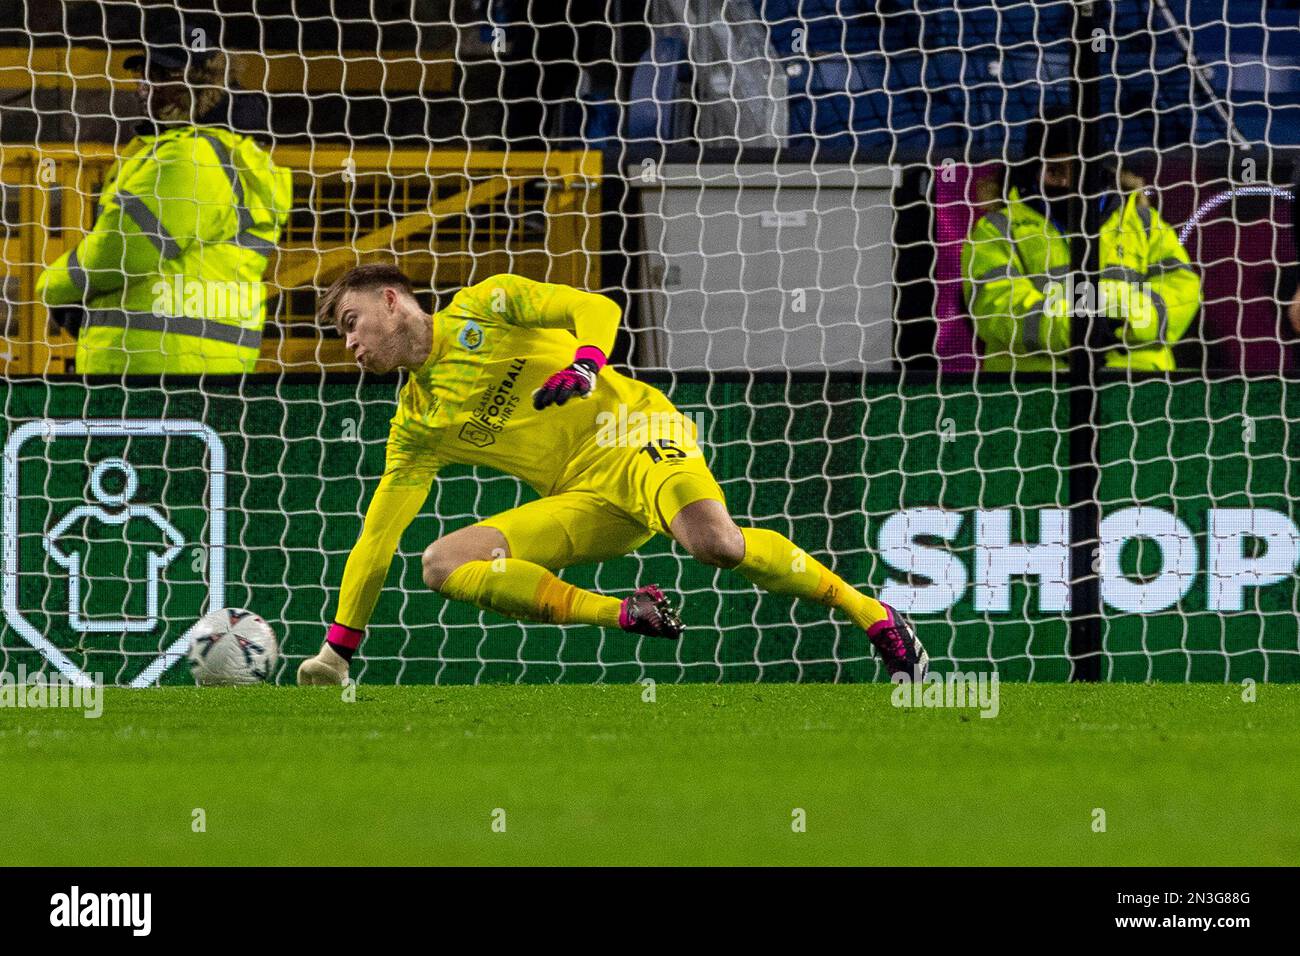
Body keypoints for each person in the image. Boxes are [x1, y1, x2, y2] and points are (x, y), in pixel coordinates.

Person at [297, 265, 928, 684]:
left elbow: (593, 305)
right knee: (442, 563)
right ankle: (622, 614)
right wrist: (337, 650)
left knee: (717, 545)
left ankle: (874, 615)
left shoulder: (486, 305)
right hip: (584, 500)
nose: (348, 344)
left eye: (350, 324)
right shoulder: (417, 422)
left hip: (635, 434)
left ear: (391, 300)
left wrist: (587, 363)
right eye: (339, 336)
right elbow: (377, 539)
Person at [36, 11, 291, 373]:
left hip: (161, 371)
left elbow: (120, 252)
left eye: (165, 76)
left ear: (205, 86)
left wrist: (51, 286)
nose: (146, 87)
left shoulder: (190, 156)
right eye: (145, 75)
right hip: (187, 362)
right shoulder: (219, 153)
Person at [961, 109, 1202, 372]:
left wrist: (1126, 322)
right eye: (1054, 171)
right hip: (1032, 392)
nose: (1066, 182)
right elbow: (994, 306)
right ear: (1033, 170)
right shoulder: (997, 229)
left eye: (1077, 169)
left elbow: (1182, 290)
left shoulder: (1143, 223)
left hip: (1139, 387)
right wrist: (1080, 329)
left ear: (1097, 168)